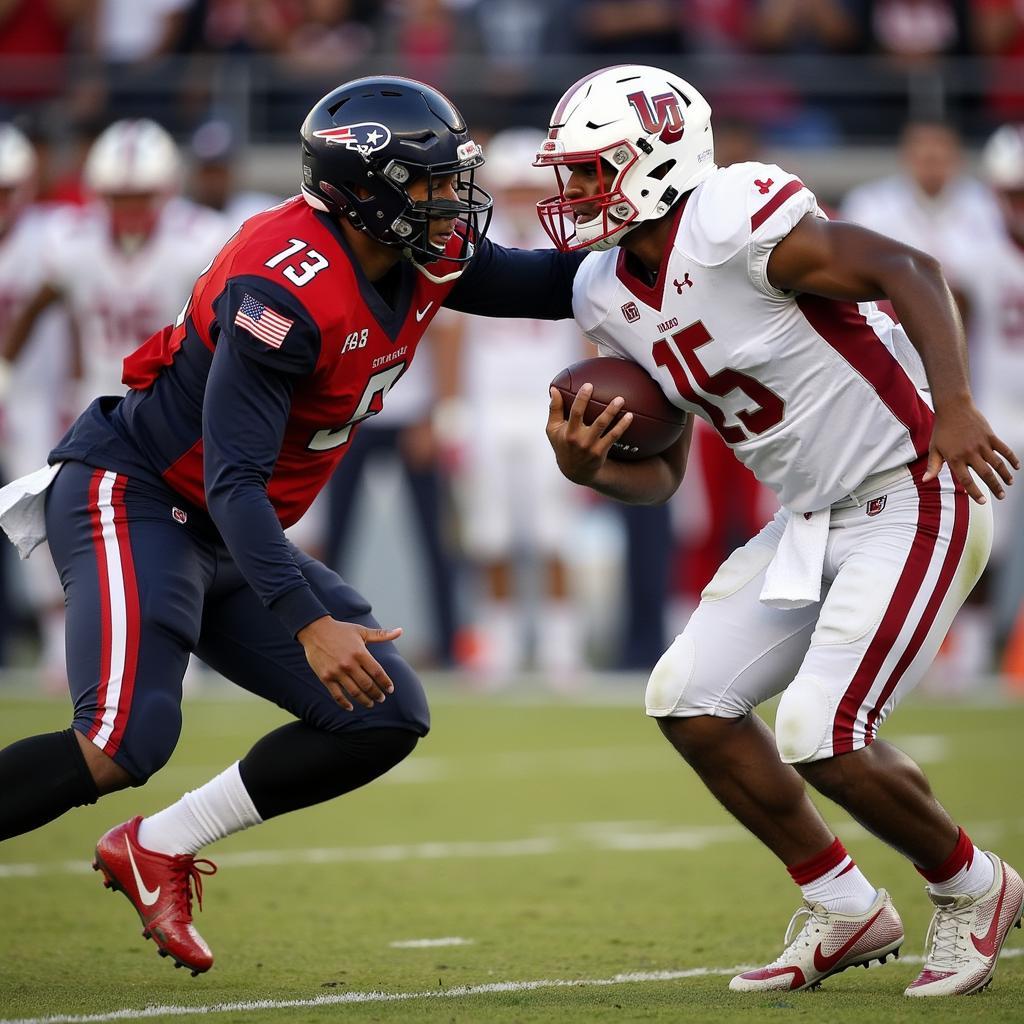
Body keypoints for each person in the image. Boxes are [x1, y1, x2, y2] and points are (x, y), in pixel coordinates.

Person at [0, 76, 582, 976]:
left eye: (446, 179)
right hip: (142, 494)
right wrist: (308, 622)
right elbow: (231, 477)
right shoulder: (285, 286)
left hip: (233, 527)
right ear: (364, 192)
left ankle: (156, 847)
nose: (446, 202)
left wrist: (678, 265)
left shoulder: (421, 251)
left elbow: (548, 285)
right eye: (424, 183)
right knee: (122, 740)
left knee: (384, 714)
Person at [537, 64, 1022, 997]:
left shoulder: (734, 219)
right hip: (807, 521)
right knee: (687, 696)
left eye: (595, 171)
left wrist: (953, 405)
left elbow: (907, 269)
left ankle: (973, 889)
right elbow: (665, 472)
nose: (578, 195)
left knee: (821, 728)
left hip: (913, 485)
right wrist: (588, 467)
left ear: (656, 158)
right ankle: (843, 904)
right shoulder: (607, 290)